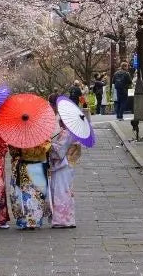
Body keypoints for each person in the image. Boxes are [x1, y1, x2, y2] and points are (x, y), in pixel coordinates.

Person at [47, 95, 80, 228]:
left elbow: (59, 151)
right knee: (65, 190)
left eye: (62, 120)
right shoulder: (69, 132)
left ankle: (62, 219)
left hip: (63, 164)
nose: (60, 122)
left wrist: (49, 144)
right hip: (67, 164)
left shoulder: (67, 134)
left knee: (61, 190)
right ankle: (66, 218)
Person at [8, 140, 53, 230]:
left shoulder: (20, 136)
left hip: (25, 167)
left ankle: (26, 220)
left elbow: (14, 152)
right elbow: (48, 149)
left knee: (26, 195)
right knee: (39, 194)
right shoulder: (42, 136)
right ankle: (36, 220)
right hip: (40, 166)